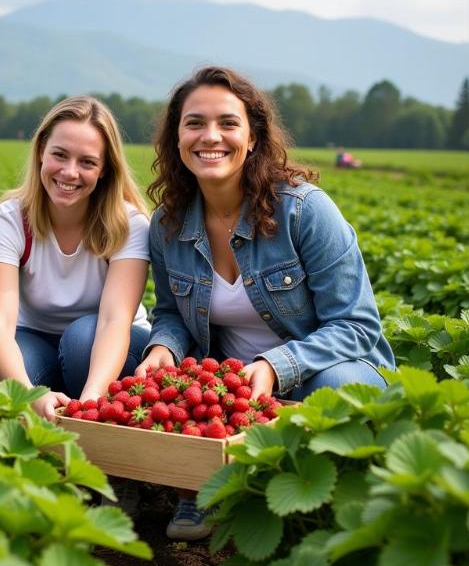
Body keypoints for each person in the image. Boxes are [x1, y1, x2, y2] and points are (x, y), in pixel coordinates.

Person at [137, 66, 395, 540]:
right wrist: (163, 349)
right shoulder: (167, 225)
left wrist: (277, 367)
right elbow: (172, 313)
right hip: (228, 384)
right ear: (176, 138)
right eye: (194, 123)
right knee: (142, 360)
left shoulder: (304, 210)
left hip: (318, 367)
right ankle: (199, 484)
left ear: (253, 137)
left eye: (227, 123)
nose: (209, 136)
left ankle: (313, 499)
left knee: (333, 387)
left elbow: (357, 326)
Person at [0, 96, 151, 423]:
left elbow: (114, 320)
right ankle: (48, 400)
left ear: (105, 169)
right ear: (41, 151)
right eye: (60, 155)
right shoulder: (11, 221)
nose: (70, 172)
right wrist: (26, 391)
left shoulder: (129, 224)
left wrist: (94, 397)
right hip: (34, 337)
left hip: (110, 343)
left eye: (87, 162)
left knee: (81, 341)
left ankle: (84, 415)